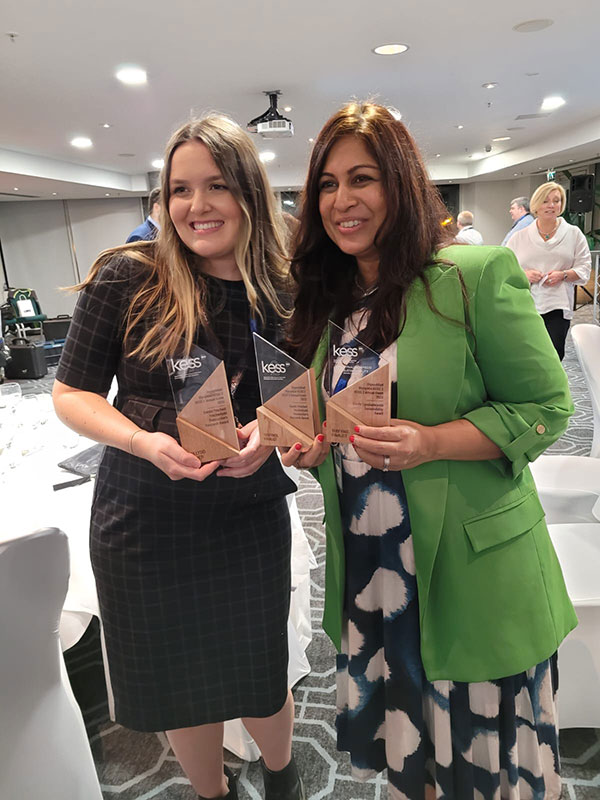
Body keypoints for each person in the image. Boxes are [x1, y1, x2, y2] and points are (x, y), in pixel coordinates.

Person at [282, 102, 576, 799]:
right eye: (326, 183)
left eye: (363, 178)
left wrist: (431, 442)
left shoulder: (473, 274)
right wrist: (313, 442)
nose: (342, 200)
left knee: (485, 758)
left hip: (466, 565)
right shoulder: (334, 298)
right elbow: (346, 413)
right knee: (412, 748)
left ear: (403, 183)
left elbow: (547, 408)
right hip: (375, 563)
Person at [53, 115, 305, 800]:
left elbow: (297, 395)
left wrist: (272, 434)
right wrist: (139, 439)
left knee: (258, 667)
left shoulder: (283, 286)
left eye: (216, 186)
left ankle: (283, 776)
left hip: (244, 514)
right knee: (179, 681)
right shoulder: (127, 279)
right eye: (179, 190)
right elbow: (71, 393)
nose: (196, 207)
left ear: (250, 192)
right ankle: (211, 794)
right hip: (146, 515)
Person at [507, 181, 592, 361]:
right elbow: (506, 271)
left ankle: (552, 389)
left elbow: (584, 267)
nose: (551, 205)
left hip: (558, 305)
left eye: (556, 200)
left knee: (554, 355)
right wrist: (524, 275)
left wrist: (564, 275)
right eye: (546, 201)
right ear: (536, 205)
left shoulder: (573, 233)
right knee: (528, 355)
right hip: (526, 305)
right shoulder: (519, 237)